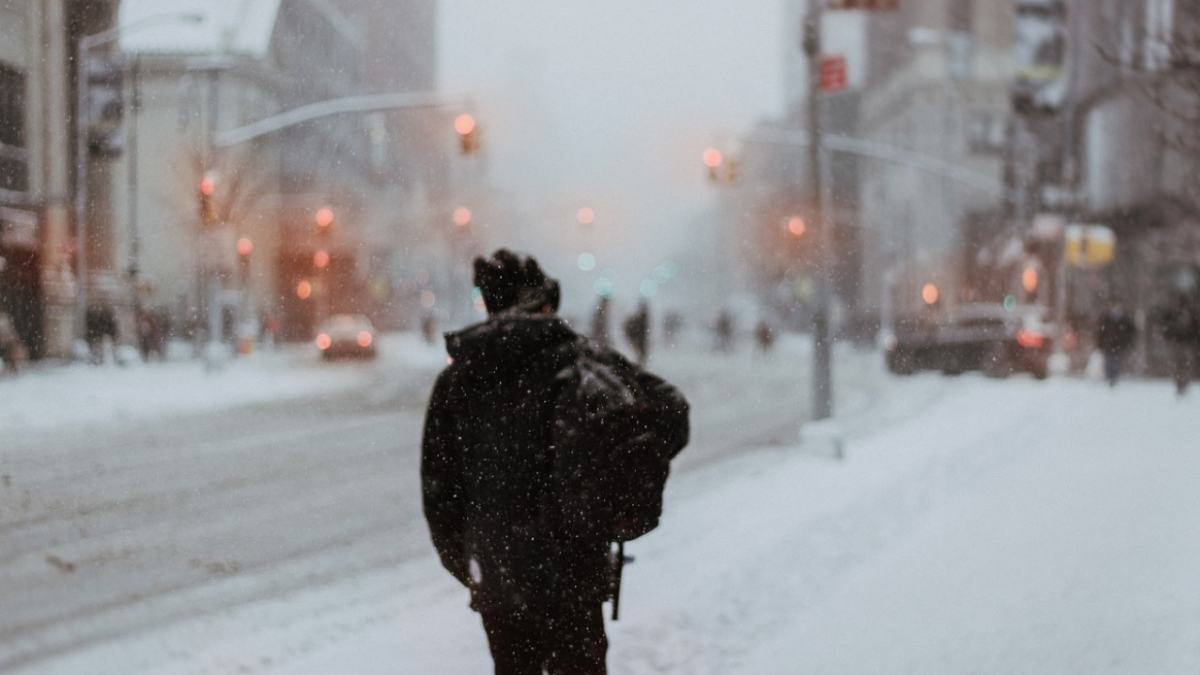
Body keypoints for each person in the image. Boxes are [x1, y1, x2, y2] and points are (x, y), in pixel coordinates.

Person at [421, 250, 613, 674]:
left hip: (501, 577)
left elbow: (440, 495)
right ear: (540, 306)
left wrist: (475, 565)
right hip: (574, 575)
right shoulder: (579, 364)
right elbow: (660, 417)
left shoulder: (458, 379)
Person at [1160, 295, 1199, 396]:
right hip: (1177, 343)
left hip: (1186, 343)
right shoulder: (1172, 313)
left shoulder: (1191, 312)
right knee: (1178, 365)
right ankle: (1180, 384)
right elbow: (1165, 325)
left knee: (1184, 365)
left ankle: (1183, 384)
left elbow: (1196, 328)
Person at [1096, 302, 1137, 386]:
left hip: (1119, 345)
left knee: (1116, 362)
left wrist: (1127, 342)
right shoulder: (1107, 319)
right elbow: (1100, 332)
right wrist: (1101, 343)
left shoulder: (1124, 320)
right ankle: (1109, 377)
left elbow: (1131, 332)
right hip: (1109, 345)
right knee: (1109, 362)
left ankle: (1114, 377)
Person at [622, 300, 650, 365]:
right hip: (639, 340)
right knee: (640, 354)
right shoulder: (640, 319)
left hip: (639, 340)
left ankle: (638, 365)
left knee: (640, 355)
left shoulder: (641, 319)